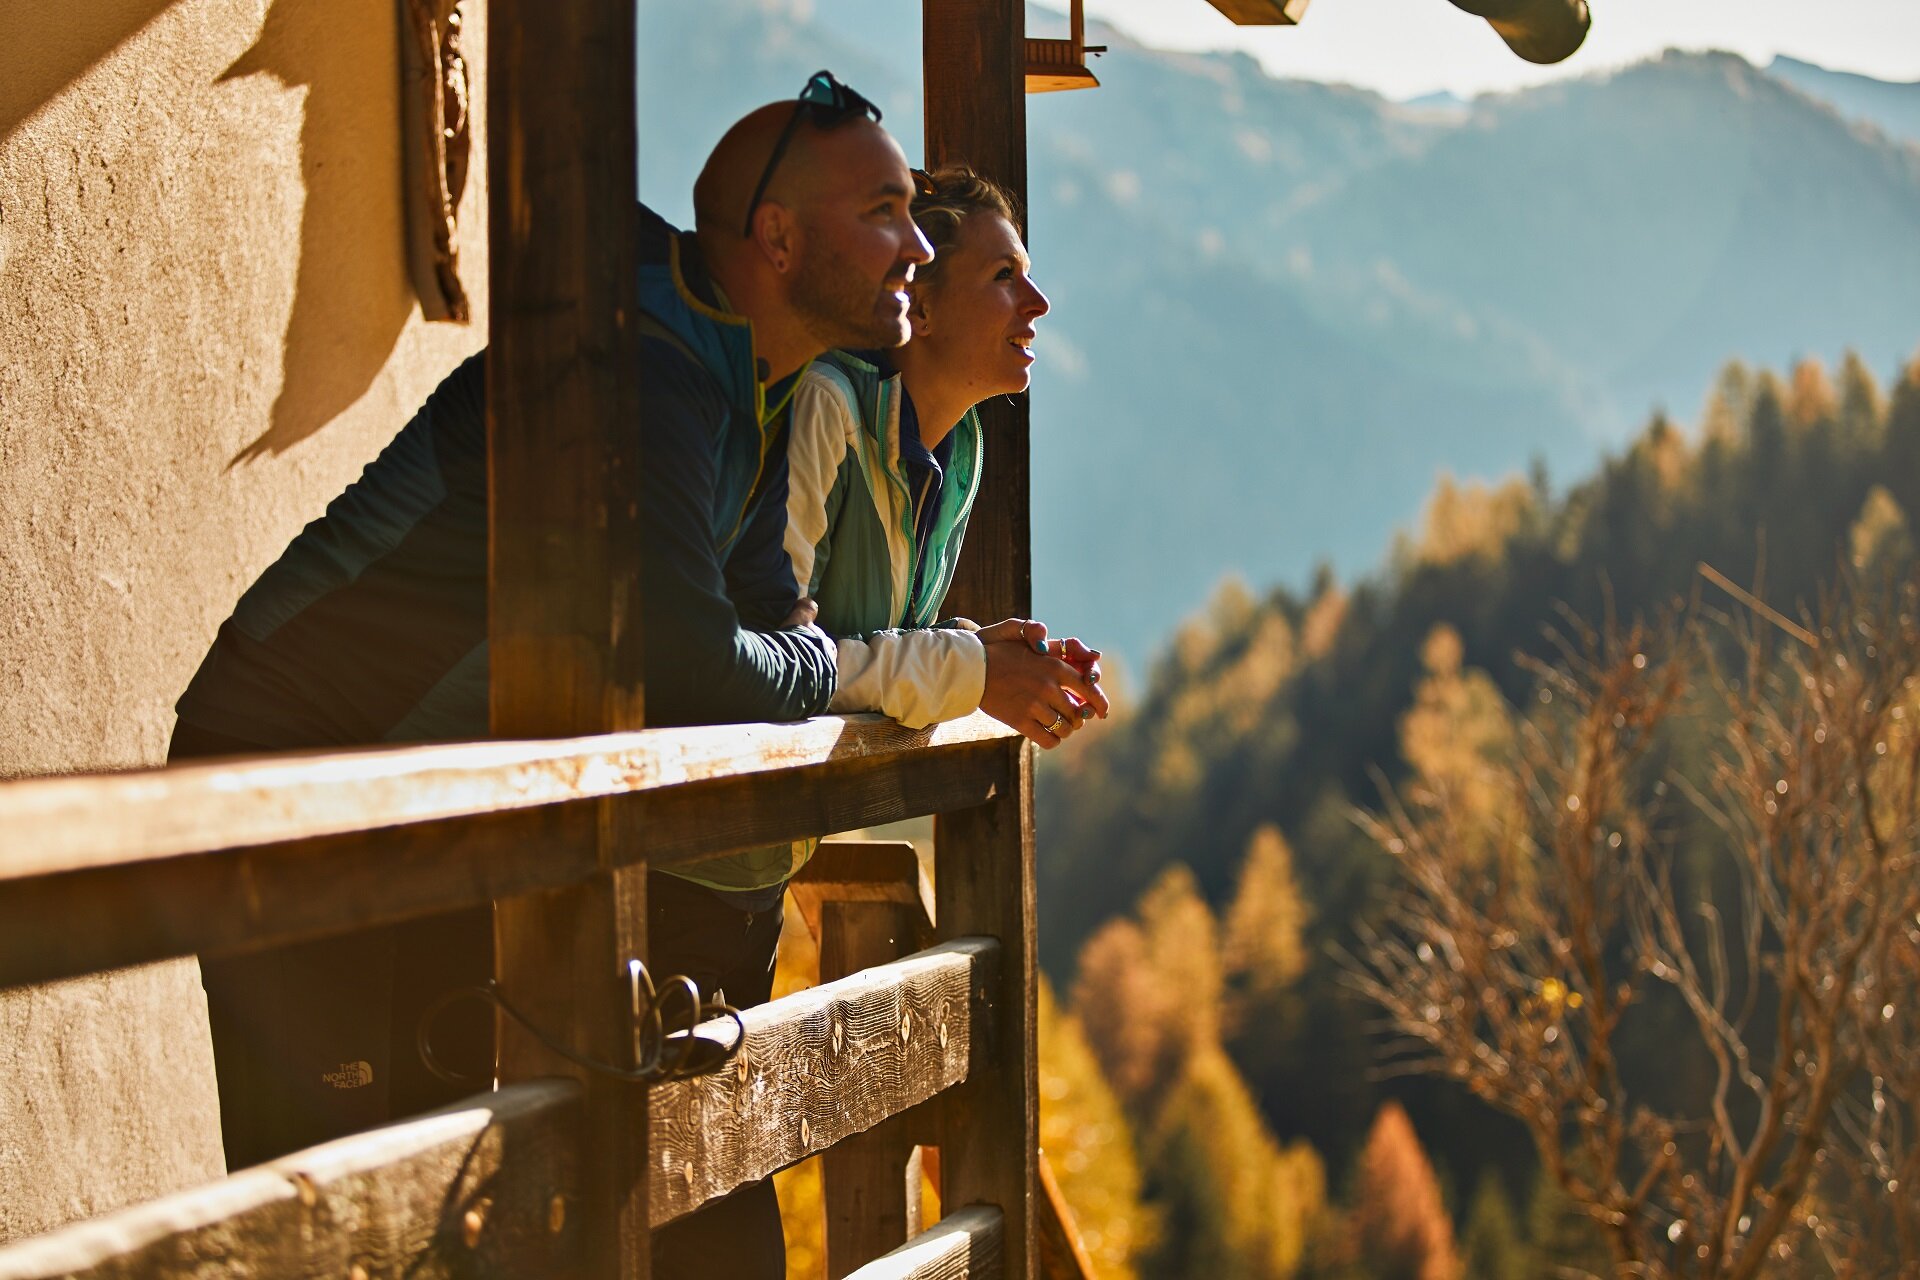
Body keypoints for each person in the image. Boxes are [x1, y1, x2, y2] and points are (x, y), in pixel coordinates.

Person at [169, 73, 929, 1278]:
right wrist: (836, 661)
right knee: (331, 1215)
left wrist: (793, 653)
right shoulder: (648, 374)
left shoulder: (750, 382)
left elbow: (752, 621)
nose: (920, 246)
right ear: (777, 239)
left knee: (450, 1211)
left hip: (431, 809)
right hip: (296, 781)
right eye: (887, 210)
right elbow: (698, 671)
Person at [782, 165, 1108, 743]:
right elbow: (775, 659)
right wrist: (972, 672)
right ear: (921, 311)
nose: (1039, 303)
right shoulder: (826, 408)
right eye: (1004, 275)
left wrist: (993, 660)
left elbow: (871, 642)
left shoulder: (957, 450)